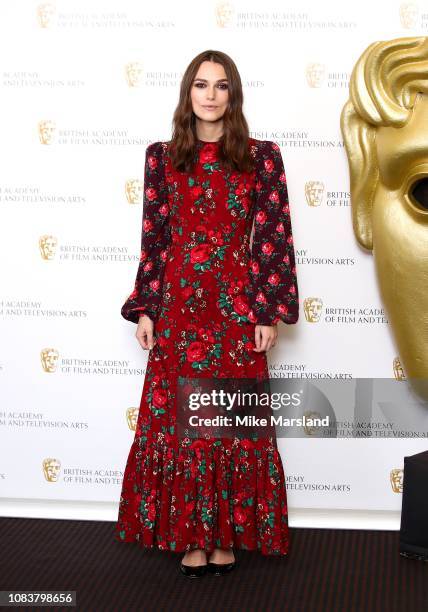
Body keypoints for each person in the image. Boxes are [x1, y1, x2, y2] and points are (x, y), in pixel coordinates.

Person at [115, 49, 299, 578]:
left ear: (233, 95)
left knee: (227, 423)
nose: (211, 95)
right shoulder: (161, 156)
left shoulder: (262, 158)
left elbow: (273, 238)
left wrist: (267, 311)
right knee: (183, 424)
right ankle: (190, 538)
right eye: (201, 85)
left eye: (221, 86)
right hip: (178, 307)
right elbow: (155, 240)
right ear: (187, 93)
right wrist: (146, 307)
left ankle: (225, 538)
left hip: (236, 310)